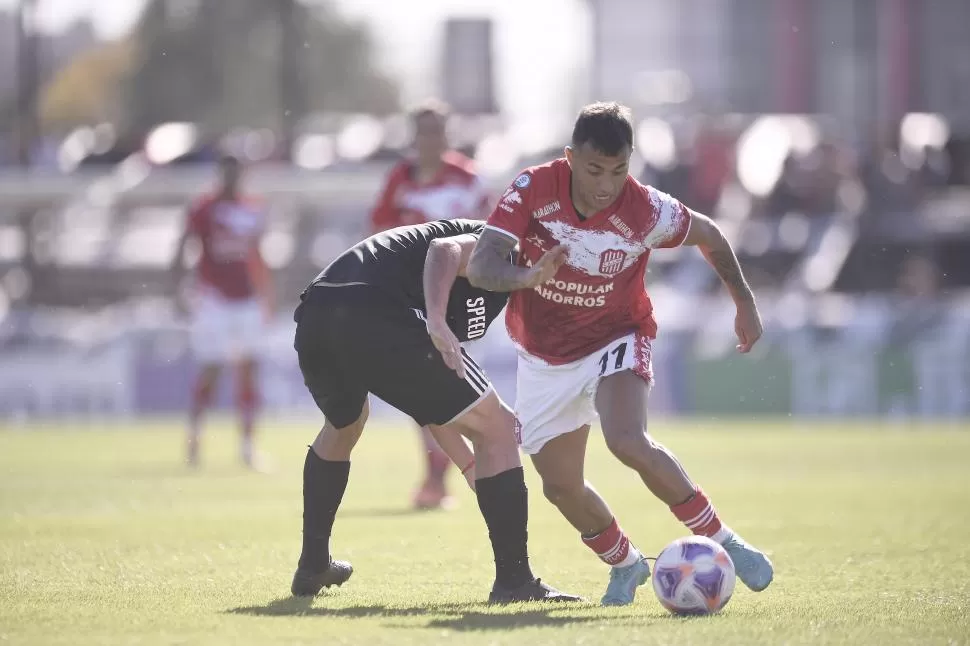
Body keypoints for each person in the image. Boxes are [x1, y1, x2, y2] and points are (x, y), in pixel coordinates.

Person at [466, 102, 774, 607]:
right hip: (544, 356)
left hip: (617, 335)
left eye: (619, 169)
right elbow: (481, 265)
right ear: (569, 158)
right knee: (560, 488)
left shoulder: (646, 210)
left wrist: (745, 302)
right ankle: (626, 566)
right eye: (593, 170)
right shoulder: (532, 189)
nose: (606, 184)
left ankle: (725, 542)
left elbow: (712, 236)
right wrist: (527, 277)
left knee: (626, 439)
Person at [289, 218, 578, 604]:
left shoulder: (503, 287)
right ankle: (515, 581)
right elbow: (444, 250)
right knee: (500, 427)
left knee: (344, 425)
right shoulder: (506, 246)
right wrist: (439, 320)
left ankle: (312, 565)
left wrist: (472, 468)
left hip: (319, 313)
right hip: (372, 308)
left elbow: (432, 402)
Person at [369, 99, 491, 510]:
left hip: (458, 300)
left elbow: (489, 236)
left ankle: (451, 476)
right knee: (428, 391)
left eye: (438, 130)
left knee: (438, 389)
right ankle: (450, 475)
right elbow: (377, 237)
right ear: (414, 136)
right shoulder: (399, 180)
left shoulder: (468, 179)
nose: (431, 139)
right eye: (424, 131)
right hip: (408, 299)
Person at [171, 154, 274, 470]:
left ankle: (247, 446)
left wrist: (267, 292)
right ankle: (194, 438)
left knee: (250, 369)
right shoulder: (204, 208)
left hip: (247, 299)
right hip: (214, 298)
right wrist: (178, 290)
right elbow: (182, 249)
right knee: (212, 370)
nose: (231, 178)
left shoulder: (252, 207)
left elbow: (256, 253)